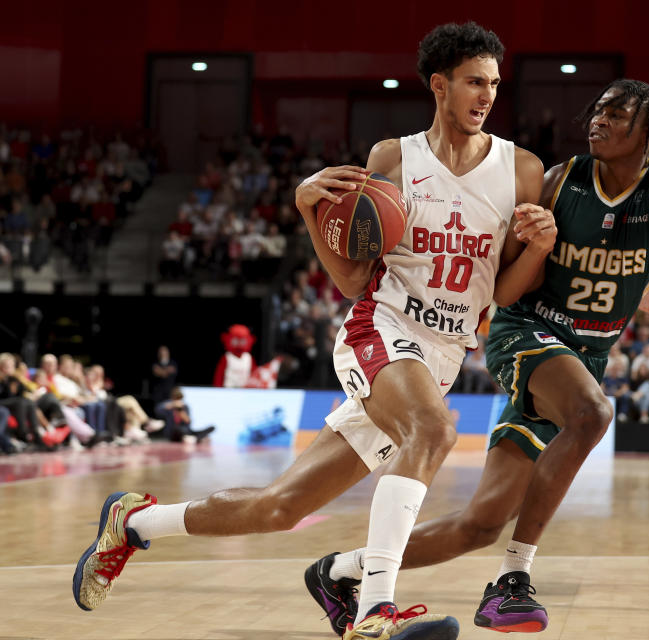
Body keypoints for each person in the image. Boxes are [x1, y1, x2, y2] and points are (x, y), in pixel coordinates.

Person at [73, 22, 553, 640]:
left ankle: (135, 524)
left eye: (493, 83)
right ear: (440, 86)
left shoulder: (522, 170)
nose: (486, 95)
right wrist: (307, 209)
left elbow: (500, 293)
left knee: (280, 507)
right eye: (472, 82)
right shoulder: (393, 159)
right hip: (380, 329)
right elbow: (355, 281)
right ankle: (375, 609)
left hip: (444, 355)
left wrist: (535, 251)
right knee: (433, 429)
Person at [307, 61, 649, 633]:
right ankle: (514, 577)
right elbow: (508, 258)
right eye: (599, 109)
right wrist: (527, 235)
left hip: (581, 358)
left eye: (617, 113)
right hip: (526, 331)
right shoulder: (560, 179)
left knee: (480, 522)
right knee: (593, 413)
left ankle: (344, 569)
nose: (599, 119)